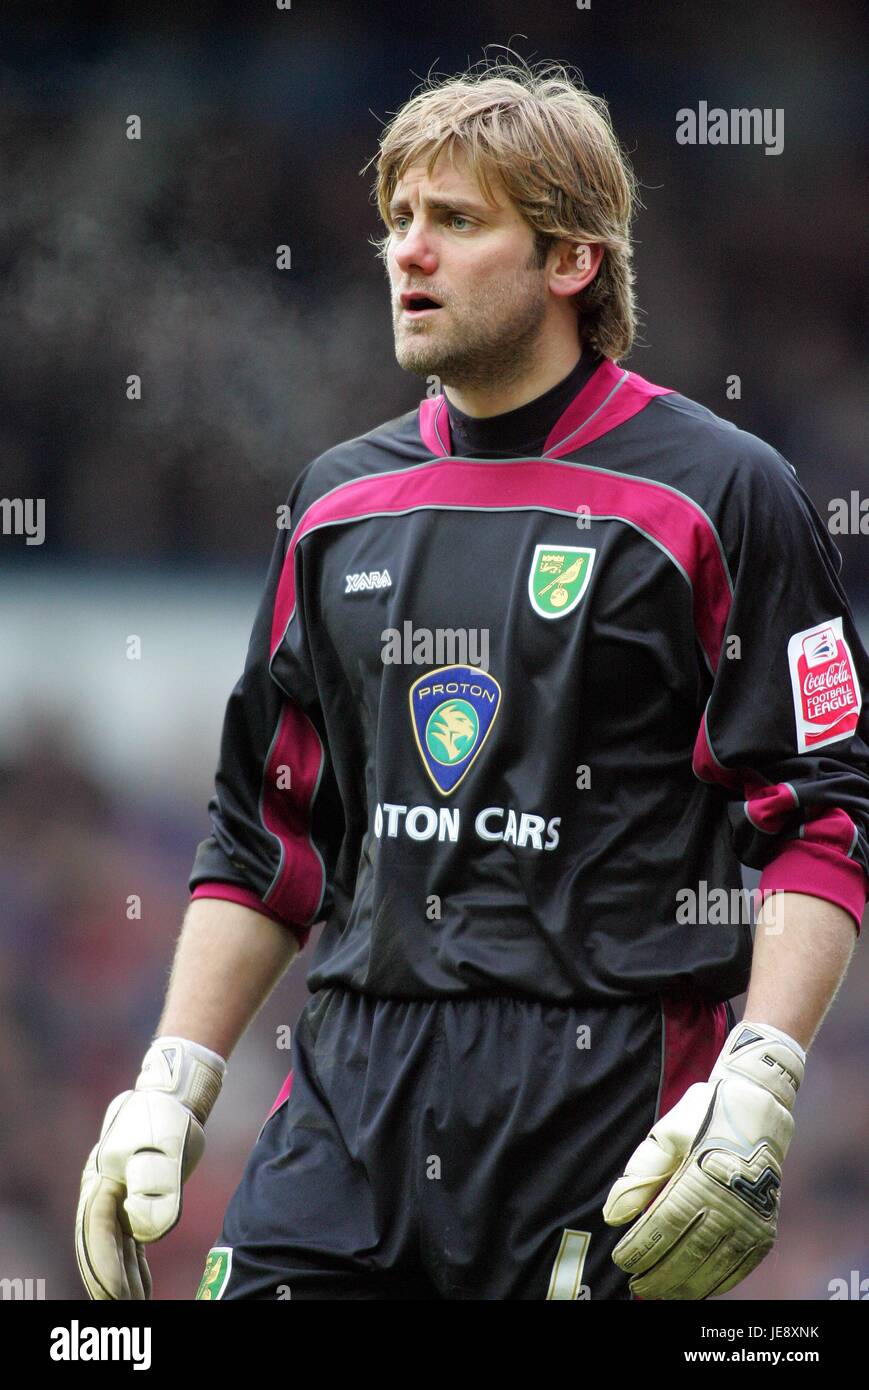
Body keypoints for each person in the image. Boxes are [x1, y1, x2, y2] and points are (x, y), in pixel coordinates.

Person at [75, 58, 869, 1301]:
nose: (408, 254)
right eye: (397, 220)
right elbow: (265, 838)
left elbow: (821, 815)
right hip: (351, 1100)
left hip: (601, 1104)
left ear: (571, 261)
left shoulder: (719, 494)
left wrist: (759, 1074)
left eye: (454, 220)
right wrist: (171, 1079)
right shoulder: (335, 505)